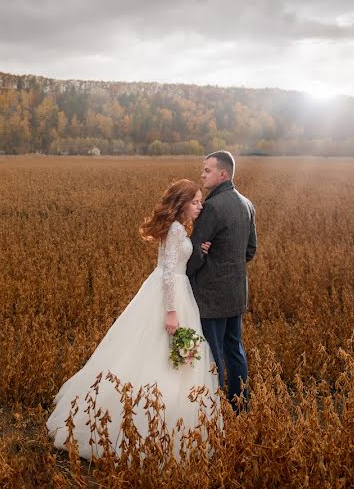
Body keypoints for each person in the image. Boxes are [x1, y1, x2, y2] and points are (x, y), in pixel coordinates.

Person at [46, 179, 219, 459]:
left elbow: (175, 264)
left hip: (172, 290)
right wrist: (172, 312)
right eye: (196, 201)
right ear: (182, 203)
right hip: (171, 295)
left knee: (162, 354)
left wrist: (199, 251)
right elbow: (167, 273)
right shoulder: (175, 230)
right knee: (160, 353)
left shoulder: (177, 229)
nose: (200, 206)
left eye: (201, 201)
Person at [187, 151, 257, 412]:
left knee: (212, 354)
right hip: (236, 293)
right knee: (235, 349)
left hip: (210, 295)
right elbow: (250, 250)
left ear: (223, 174)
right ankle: (241, 406)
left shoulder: (213, 207)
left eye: (207, 170)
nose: (202, 174)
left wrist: (198, 267)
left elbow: (194, 253)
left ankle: (212, 411)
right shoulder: (247, 204)